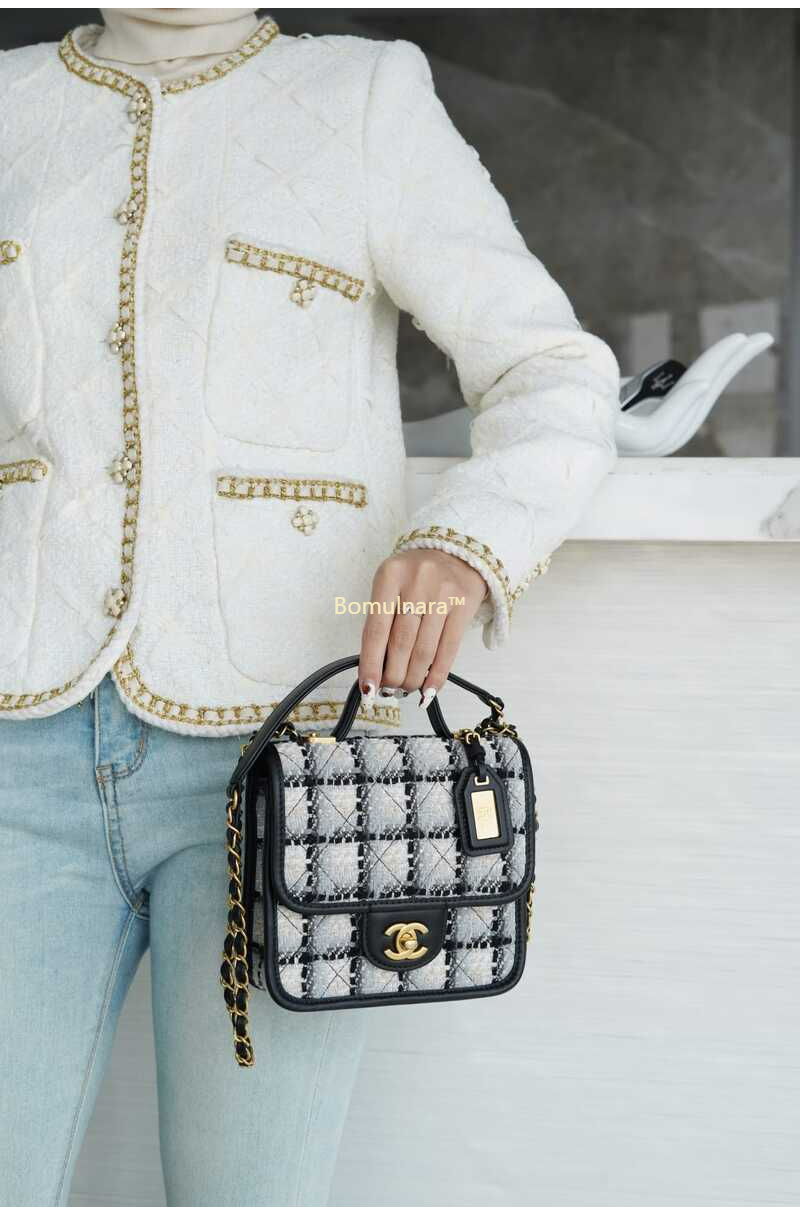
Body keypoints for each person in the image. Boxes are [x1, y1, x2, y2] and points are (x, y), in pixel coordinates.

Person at [0, 8, 620, 1205]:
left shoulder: (363, 97)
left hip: (294, 768)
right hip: (13, 741)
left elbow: (548, 370)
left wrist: (463, 544)